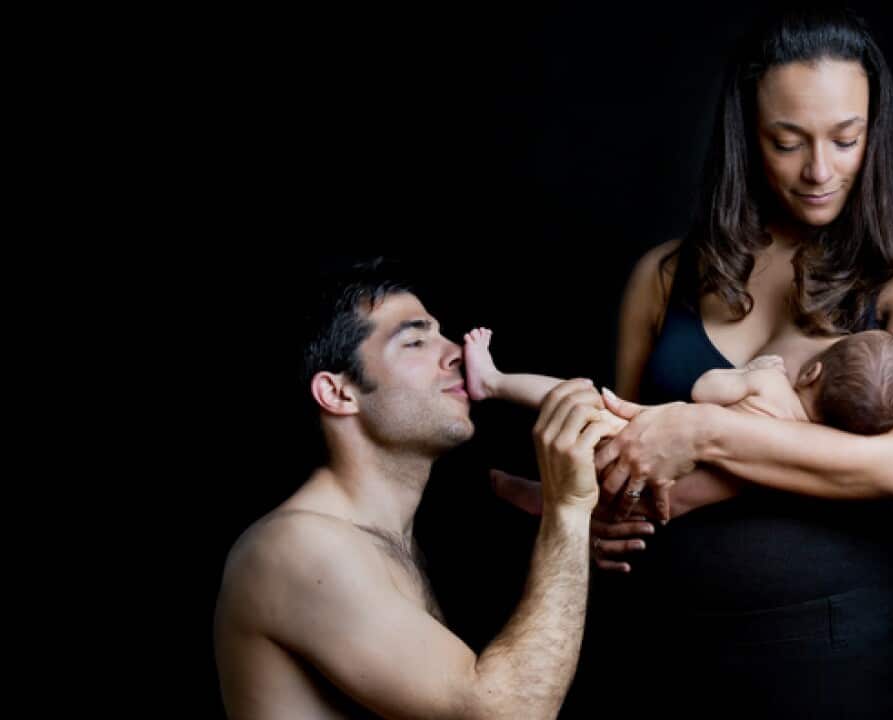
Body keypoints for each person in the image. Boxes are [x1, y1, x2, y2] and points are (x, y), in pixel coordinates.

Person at [573, 4, 893, 716]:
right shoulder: (664, 275)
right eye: (787, 142)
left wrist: (703, 431)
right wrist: (598, 511)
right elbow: (622, 450)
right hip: (655, 649)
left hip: (831, 660)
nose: (820, 170)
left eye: (846, 140)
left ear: (873, 134)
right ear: (746, 137)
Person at [213, 261, 614, 719]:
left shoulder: (381, 536)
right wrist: (567, 511)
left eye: (443, 334)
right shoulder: (300, 547)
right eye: (416, 341)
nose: (458, 353)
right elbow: (507, 713)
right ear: (339, 393)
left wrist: (566, 517)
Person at [469, 325, 893, 521]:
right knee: (588, 507)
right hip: (674, 504)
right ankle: (529, 496)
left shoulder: (769, 385)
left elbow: (705, 391)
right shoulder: (812, 453)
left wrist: (748, 374)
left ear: (812, 372)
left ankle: (493, 382)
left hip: (644, 450)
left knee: (579, 401)